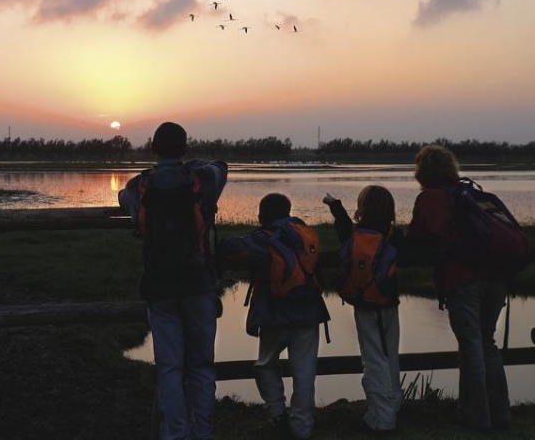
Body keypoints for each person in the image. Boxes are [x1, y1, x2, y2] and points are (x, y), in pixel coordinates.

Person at [118, 121, 228, 440]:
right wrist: (189, 164)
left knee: (169, 369)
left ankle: (175, 435)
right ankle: (203, 432)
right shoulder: (203, 179)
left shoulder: (137, 186)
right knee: (202, 367)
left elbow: (127, 205)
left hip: (160, 288)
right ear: (185, 147)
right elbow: (221, 165)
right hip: (199, 285)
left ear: (153, 148)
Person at [405, 144, 511, 431]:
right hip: (497, 278)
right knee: (487, 342)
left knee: (471, 345)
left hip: (464, 280)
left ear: (422, 171)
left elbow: (416, 238)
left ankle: (476, 416)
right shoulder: (471, 193)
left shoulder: (431, 198)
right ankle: (500, 413)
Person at [218, 193, 330, 440]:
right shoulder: (305, 233)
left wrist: (217, 241)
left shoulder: (263, 238)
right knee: (305, 373)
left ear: (262, 215)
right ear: (289, 211)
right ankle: (302, 428)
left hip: (275, 313)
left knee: (266, 364)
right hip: (309, 313)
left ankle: (278, 414)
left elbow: (232, 248)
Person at [323, 186, 404, 433]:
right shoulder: (395, 235)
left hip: (365, 305)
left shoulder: (354, 234)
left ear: (362, 209)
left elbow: (342, 226)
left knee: (373, 359)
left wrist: (334, 204)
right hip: (388, 304)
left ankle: (381, 418)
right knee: (390, 355)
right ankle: (393, 405)